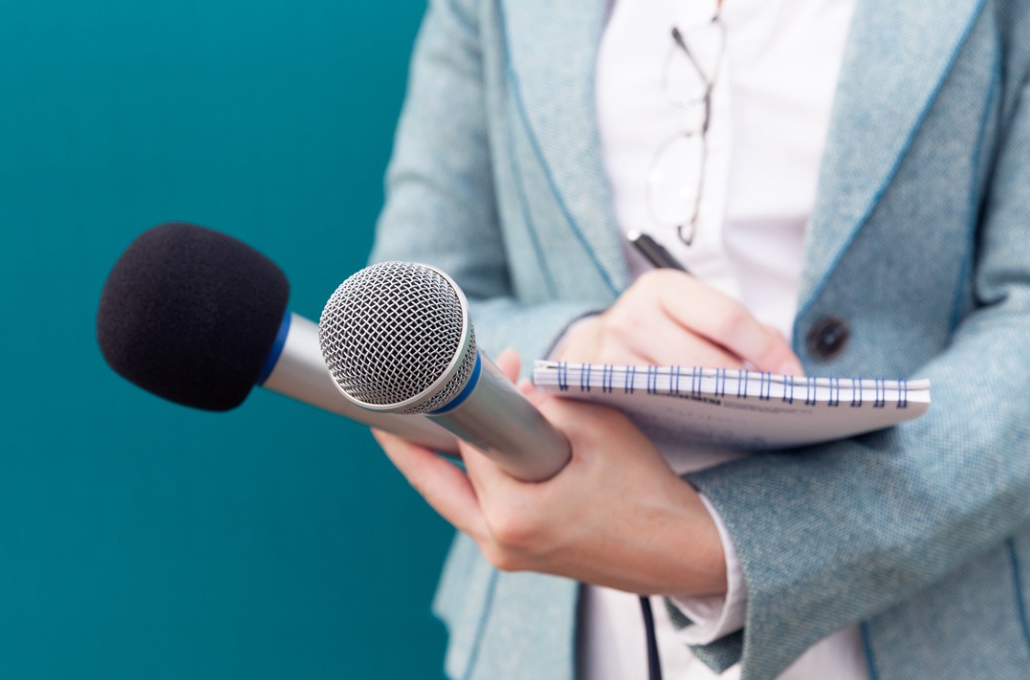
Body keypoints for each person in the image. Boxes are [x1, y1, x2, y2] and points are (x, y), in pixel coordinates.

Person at [367, 0, 1030, 678]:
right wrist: (575, 349)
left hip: (934, 618)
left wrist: (729, 546)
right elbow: (409, 297)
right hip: (556, 631)